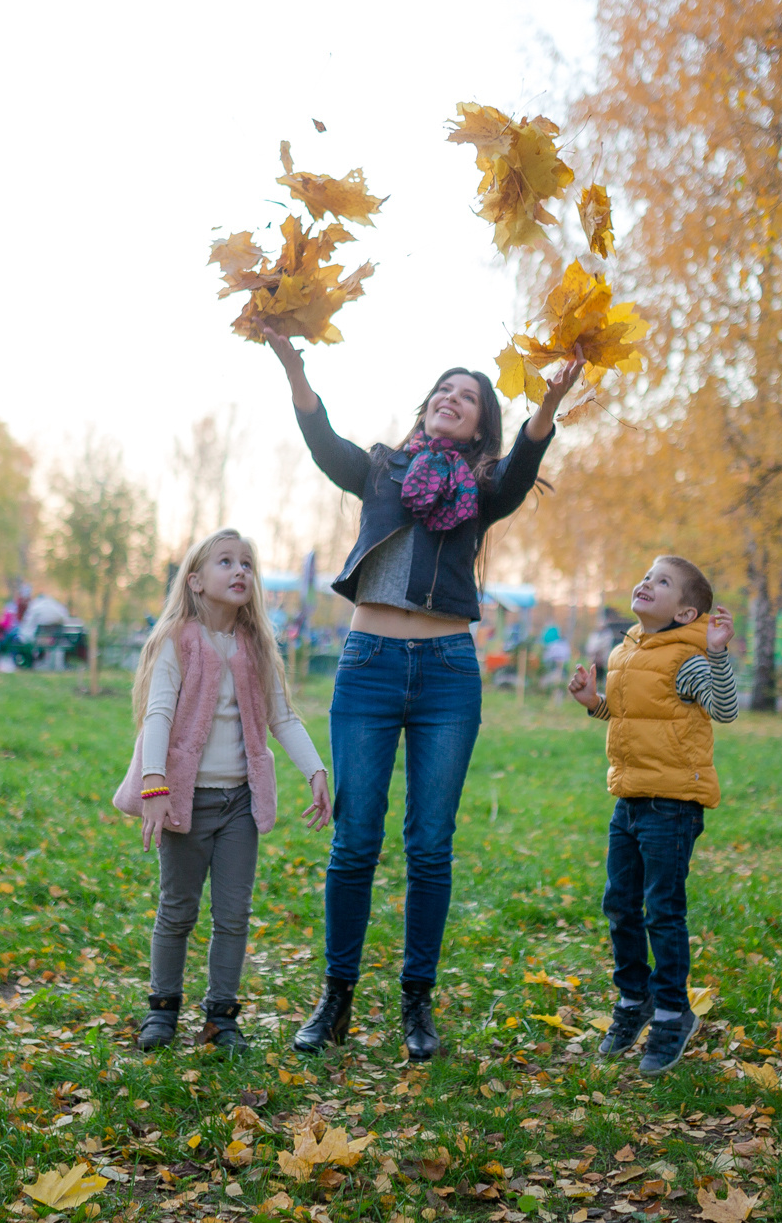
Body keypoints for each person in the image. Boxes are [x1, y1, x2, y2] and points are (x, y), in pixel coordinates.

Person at [266, 328, 581, 1060]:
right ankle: (335, 999)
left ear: (479, 426)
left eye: (467, 397)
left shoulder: (483, 490)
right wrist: (293, 366)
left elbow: (526, 459)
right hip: (368, 665)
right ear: (427, 407)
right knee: (354, 842)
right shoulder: (382, 469)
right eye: (444, 389)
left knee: (430, 845)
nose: (451, 399)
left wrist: (550, 402)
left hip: (446, 672)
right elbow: (324, 441)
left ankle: (417, 1005)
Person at [112, 529, 332, 1052]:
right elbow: (158, 715)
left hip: (238, 804)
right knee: (177, 909)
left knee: (232, 914)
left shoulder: (256, 647)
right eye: (226, 562)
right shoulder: (177, 641)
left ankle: (221, 1018)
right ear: (195, 581)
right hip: (186, 800)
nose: (240, 572)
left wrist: (316, 771)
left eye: (247, 565)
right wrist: (154, 785)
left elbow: (282, 716)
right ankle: (162, 1012)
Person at [567, 556, 739, 1074]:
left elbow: (725, 710)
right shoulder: (626, 651)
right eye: (646, 575)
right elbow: (630, 716)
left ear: (687, 613)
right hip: (630, 798)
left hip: (672, 804)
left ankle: (671, 1012)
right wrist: (593, 701)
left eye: (662, 582)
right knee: (620, 904)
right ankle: (632, 999)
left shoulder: (688, 659)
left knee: (662, 910)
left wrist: (718, 656)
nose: (646, 582)